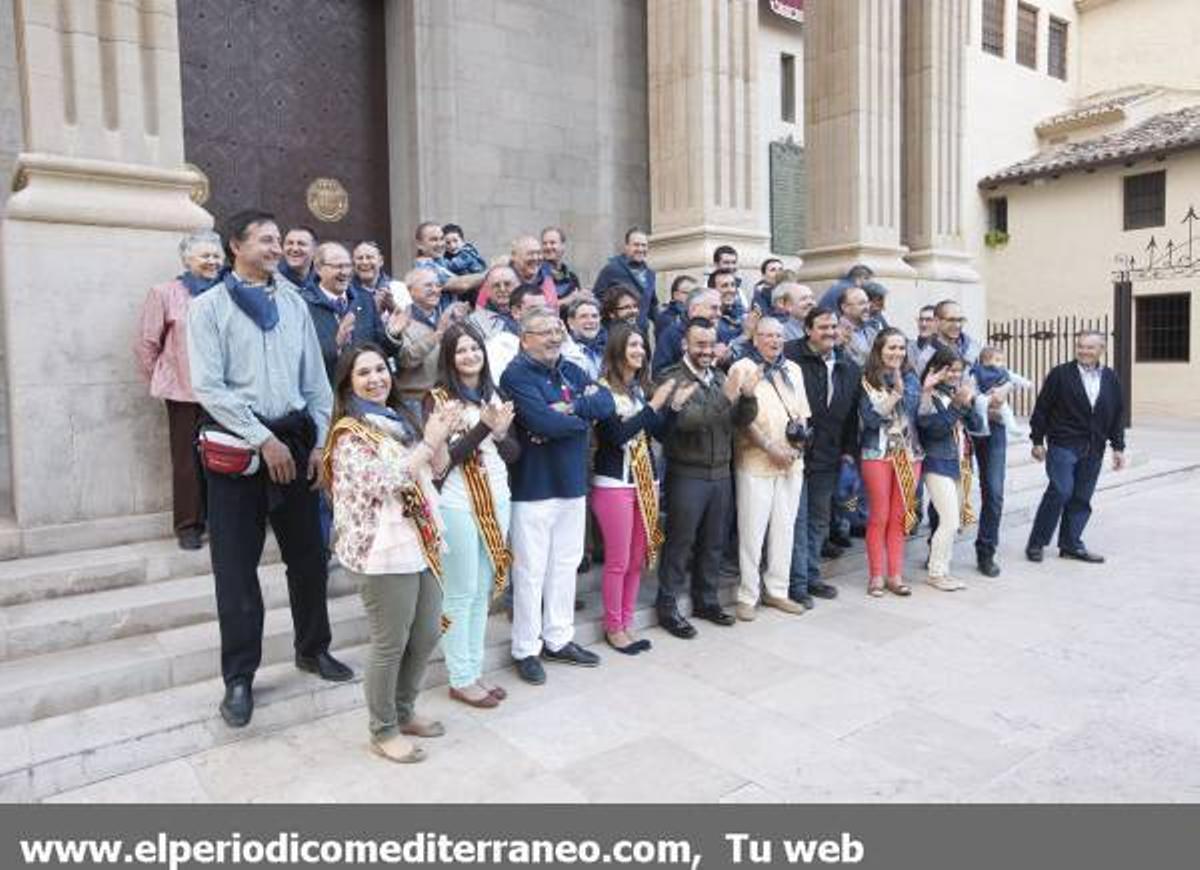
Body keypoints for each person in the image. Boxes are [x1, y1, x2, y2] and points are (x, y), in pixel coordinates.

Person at [187, 209, 351, 729]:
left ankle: (312, 648)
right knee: (235, 571)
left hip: (297, 442)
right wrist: (262, 439)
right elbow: (208, 387)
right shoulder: (208, 308)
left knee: (307, 558)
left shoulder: (296, 305)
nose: (276, 247)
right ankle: (239, 678)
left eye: (279, 239)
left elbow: (317, 382)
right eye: (264, 239)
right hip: (238, 450)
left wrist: (319, 443)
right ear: (236, 245)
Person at [323, 344, 458, 762]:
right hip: (382, 548)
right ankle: (383, 730)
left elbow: (436, 469)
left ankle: (404, 711)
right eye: (363, 373)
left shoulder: (399, 419)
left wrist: (440, 435)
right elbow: (385, 480)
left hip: (420, 537)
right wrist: (428, 442)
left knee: (427, 631)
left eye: (381, 369)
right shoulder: (349, 433)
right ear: (348, 383)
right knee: (390, 642)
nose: (376, 378)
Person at [501, 308, 615, 685]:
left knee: (566, 565)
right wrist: (578, 421)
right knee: (530, 572)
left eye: (557, 330)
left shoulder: (570, 368)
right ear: (524, 338)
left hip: (571, 484)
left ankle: (559, 637)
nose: (553, 338)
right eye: (544, 332)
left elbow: (606, 404)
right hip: (533, 488)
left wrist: (571, 410)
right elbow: (541, 422)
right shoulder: (515, 374)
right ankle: (526, 648)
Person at [427, 324, 521, 708]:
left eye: (474, 349)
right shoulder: (438, 401)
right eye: (461, 351)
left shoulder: (494, 394)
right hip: (459, 503)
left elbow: (514, 454)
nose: (469, 356)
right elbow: (443, 464)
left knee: (483, 592)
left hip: (498, 496)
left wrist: (500, 434)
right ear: (449, 358)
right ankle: (459, 676)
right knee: (460, 591)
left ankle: (474, 669)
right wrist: (485, 426)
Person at [654, 318, 759, 639]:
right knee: (680, 543)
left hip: (721, 473)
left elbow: (739, 420)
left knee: (714, 542)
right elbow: (688, 421)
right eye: (699, 344)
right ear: (685, 344)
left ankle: (706, 599)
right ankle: (668, 604)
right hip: (688, 472)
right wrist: (726, 397)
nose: (706, 350)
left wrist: (749, 397)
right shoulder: (671, 378)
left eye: (711, 344)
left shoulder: (719, 377)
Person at [592, 323, 690, 653]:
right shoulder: (602, 391)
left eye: (642, 346)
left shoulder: (639, 389)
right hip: (614, 484)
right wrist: (653, 406)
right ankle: (613, 626)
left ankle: (627, 621)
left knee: (637, 560)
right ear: (618, 349)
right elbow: (616, 437)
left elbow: (659, 434)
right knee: (618, 560)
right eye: (633, 345)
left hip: (645, 481)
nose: (639, 351)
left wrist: (672, 408)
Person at [134, 230, 224, 551]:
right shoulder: (164, 293)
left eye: (216, 256)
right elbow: (147, 344)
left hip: (225, 393)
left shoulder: (229, 292)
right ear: (187, 260)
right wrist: (165, 378)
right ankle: (189, 525)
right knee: (187, 461)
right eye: (205, 256)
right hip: (183, 392)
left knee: (224, 456)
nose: (212, 261)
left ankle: (223, 521)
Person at [728, 317, 811, 621]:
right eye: (767, 336)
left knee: (784, 528)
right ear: (755, 338)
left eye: (778, 336)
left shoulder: (794, 370)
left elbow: (802, 414)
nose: (774, 341)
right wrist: (770, 448)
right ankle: (747, 595)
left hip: (791, 463)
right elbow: (739, 419)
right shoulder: (741, 369)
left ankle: (777, 590)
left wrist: (796, 448)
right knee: (752, 531)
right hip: (755, 461)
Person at [1026, 331, 1126, 564]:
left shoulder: (1110, 377)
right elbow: (1042, 409)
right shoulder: (1060, 374)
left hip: (1095, 446)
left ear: (1102, 349)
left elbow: (1117, 414)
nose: (1083, 351)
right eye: (1080, 346)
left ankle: (1071, 544)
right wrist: (1037, 441)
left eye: (1090, 347)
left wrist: (1118, 447)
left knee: (1081, 497)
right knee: (1061, 490)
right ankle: (1037, 542)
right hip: (1063, 443)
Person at [783, 306, 860, 607]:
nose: (830, 333)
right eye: (823, 327)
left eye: (833, 328)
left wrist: (849, 454)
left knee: (818, 521)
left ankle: (811, 576)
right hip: (795, 455)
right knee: (797, 521)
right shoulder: (790, 357)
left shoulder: (849, 367)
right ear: (808, 330)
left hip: (829, 458)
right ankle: (795, 582)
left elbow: (852, 417)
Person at [857, 328, 922, 598]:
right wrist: (894, 394)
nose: (897, 353)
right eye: (891, 348)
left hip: (909, 455)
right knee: (880, 516)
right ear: (879, 350)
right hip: (877, 455)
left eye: (901, 348)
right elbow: (870, 421)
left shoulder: (911, 377)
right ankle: (876, 576)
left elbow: (913, 413)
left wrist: (903, 390)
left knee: (898, 517)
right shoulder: (867, 380)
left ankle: (894, 575)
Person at [916, 348, 983, 591]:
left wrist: (969, 402)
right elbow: (934, 428)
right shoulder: (929, 395)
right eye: (950, 370)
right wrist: (958, 405)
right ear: (937, 370)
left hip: (958, 462)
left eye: (959, 370)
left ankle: (943, 570)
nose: (955, 374)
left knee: (954, 522)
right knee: (950, 521)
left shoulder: (956, 393)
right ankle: (936, 573)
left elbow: (977, 425)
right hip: (936, 462)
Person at [300, 242, 405, 382]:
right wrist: (336, 345)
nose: (344, 272)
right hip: (327, 393)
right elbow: (301, 359)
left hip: (363, 393)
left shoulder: (365, 300)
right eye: (338, 266)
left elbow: (381, 350)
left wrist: (392, 334)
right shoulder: (303, 305)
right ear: (319, 268)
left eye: (348, 266)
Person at [394, 267, 470, 415]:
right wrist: (439, 333)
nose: (435, 290)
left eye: (438, 285)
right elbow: (405, 359)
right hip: (415, 403)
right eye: (428, 285)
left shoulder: (446, 317)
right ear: (410, 290)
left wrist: (461, 326)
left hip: (446, 399)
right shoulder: (400, 319)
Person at [593, 227, 658, 331]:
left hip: (641, 334)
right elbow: (596, 300)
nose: (640, 249)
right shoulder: (611, 269)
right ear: (626, 246)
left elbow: (652, 305)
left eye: (644, 245)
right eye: (636, 245)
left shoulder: (651, 274)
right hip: (617, 334)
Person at [484, 282, 550, 378]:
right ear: (516, 312)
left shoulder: (554, 339)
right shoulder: (499, 345)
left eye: (544, 309)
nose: (542, 315)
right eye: (534, 310)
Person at [652, 286, 721, 375]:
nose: (719, 313)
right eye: (714, 308)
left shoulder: (716, 330)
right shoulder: (671, 335)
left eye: (720, 308)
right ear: (694, 309)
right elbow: (659, 374)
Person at [412, 221, 486, 299]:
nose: (440, 244)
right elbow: (462, 285)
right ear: (419, 244)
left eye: (441, 239)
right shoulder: (425, 267)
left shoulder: (440, 261)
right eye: (433, 240)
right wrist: (490, 274)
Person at [971, 346, 1033, 438]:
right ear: (986, 361)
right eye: (998, 360)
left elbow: (1015, 377)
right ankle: (982, 426)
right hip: (983, 395)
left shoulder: (1002, 371)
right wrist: (975, 394)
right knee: (981, 405)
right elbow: (973, 383)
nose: (1001, 363)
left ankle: (1012, 427)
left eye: (1001, 360)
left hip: (998, 396)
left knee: (1006, 410)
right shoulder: (977, 371)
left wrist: (1027, 383)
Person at [468, 265, 520, 342]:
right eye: (496, 285)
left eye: (507, 284)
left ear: (518, 286)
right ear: (487, 290)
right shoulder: (475, 322)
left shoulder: (531, 313)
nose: (502, 289)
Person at [561, 297, 606, 380]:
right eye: (583, 316)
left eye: (594, 316)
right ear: (570, 322)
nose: (591, 321)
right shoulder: (563, 353)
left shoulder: (608, 348)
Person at [540, 226, 584, 309]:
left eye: (552, 243)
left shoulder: (572, 278)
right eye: (544, 243)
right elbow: (538, 308)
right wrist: (568, 300)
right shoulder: (537, 275)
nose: (548, 247)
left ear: (563, 246)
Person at [838, 287, 875, 367]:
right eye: (861, 303)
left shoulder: (871, 332)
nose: (867, 307)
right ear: (845, 308)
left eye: (867, 303)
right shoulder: (836, 333)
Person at [279, 226, 318, 291]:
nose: (295, 249)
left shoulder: (323, 282)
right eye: (290, 243)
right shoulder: (271, 282)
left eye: (301, 244)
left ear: (315, 250)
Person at [907, 305, 938, 374]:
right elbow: (917, 373)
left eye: (929, 320)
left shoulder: (946, 346)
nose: (923, 324)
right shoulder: (910, 346)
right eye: (921, 320)